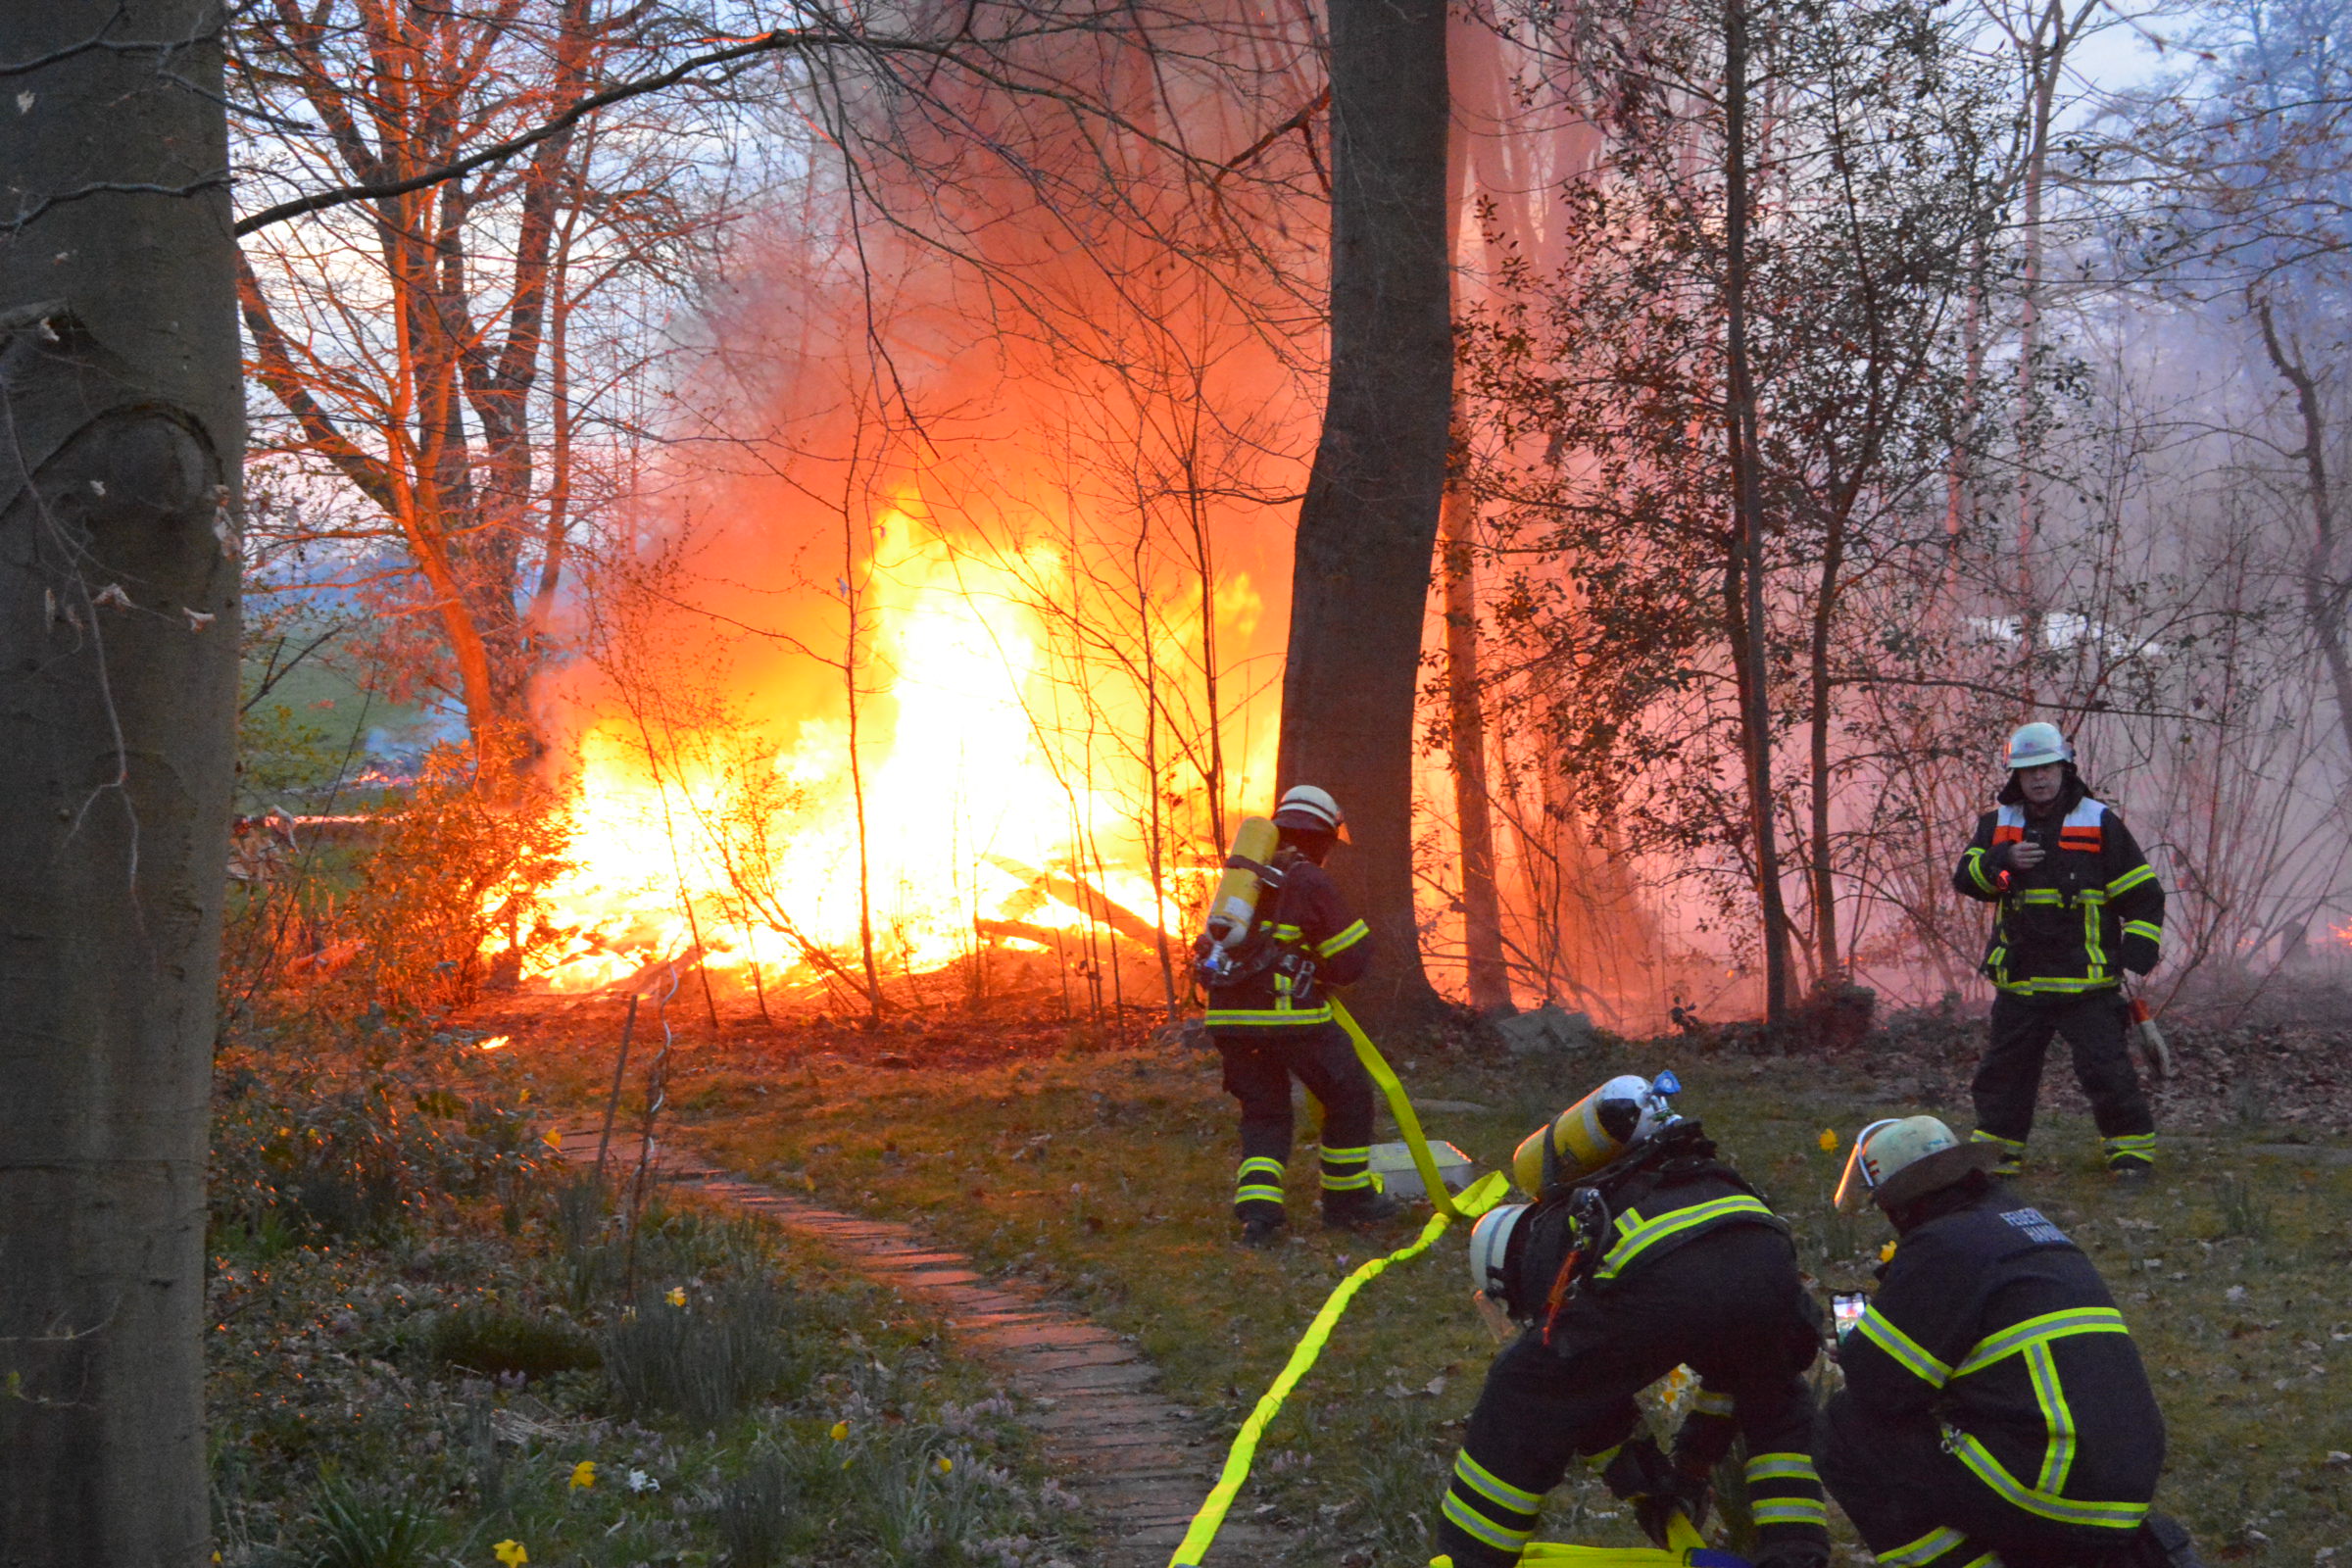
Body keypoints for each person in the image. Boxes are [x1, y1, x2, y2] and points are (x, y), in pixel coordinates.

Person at [1431, 1076, 1829, 1568]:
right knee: (1772, 1394)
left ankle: (1471, 1556)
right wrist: (1683, 1474)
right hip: (1765, 1263)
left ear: (1499, 1271)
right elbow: (1709, 1361)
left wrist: (1645, 1488)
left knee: (1522, 1390)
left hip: (1672, 1277)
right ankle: (1797, 1554)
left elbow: (1582, 1392)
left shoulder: (1544, 1247)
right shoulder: (1643, 1183)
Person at [1821, 1115, 2205, 1568]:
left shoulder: (1942, 1246)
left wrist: (1870, 1330)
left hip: (2050, 1487)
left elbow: (1877, 1388)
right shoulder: (2026, 1229)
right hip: (2119, 1492)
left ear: (1901, 1205)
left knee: (1845, 1430)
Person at [1953, 723, 2166, 1181]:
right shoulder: (1998, 825)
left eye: (2046, 767)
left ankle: (2131, 1155)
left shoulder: (2097, 820)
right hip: (2021, 980)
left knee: (2107, 1072)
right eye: (2028, 770)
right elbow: (1966, 878)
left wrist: (2137, 951)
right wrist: (2001, 863)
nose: (2039, 778)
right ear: (2016, 776)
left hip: (2085, 982)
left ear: (2065, 768)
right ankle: (1996, 1157)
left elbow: (2143, 893)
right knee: (2003, 1075)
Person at [1200, 784, 1398, 1245]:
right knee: (1347, 1093)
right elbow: (1351, 958)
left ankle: (1259, 1215)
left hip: (1230, 1019)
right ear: (1322, 837)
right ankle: (1347, 1201)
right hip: (1290, 1019)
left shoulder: (1242, 881)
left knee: (1264, 1112)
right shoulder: (1309, 879)